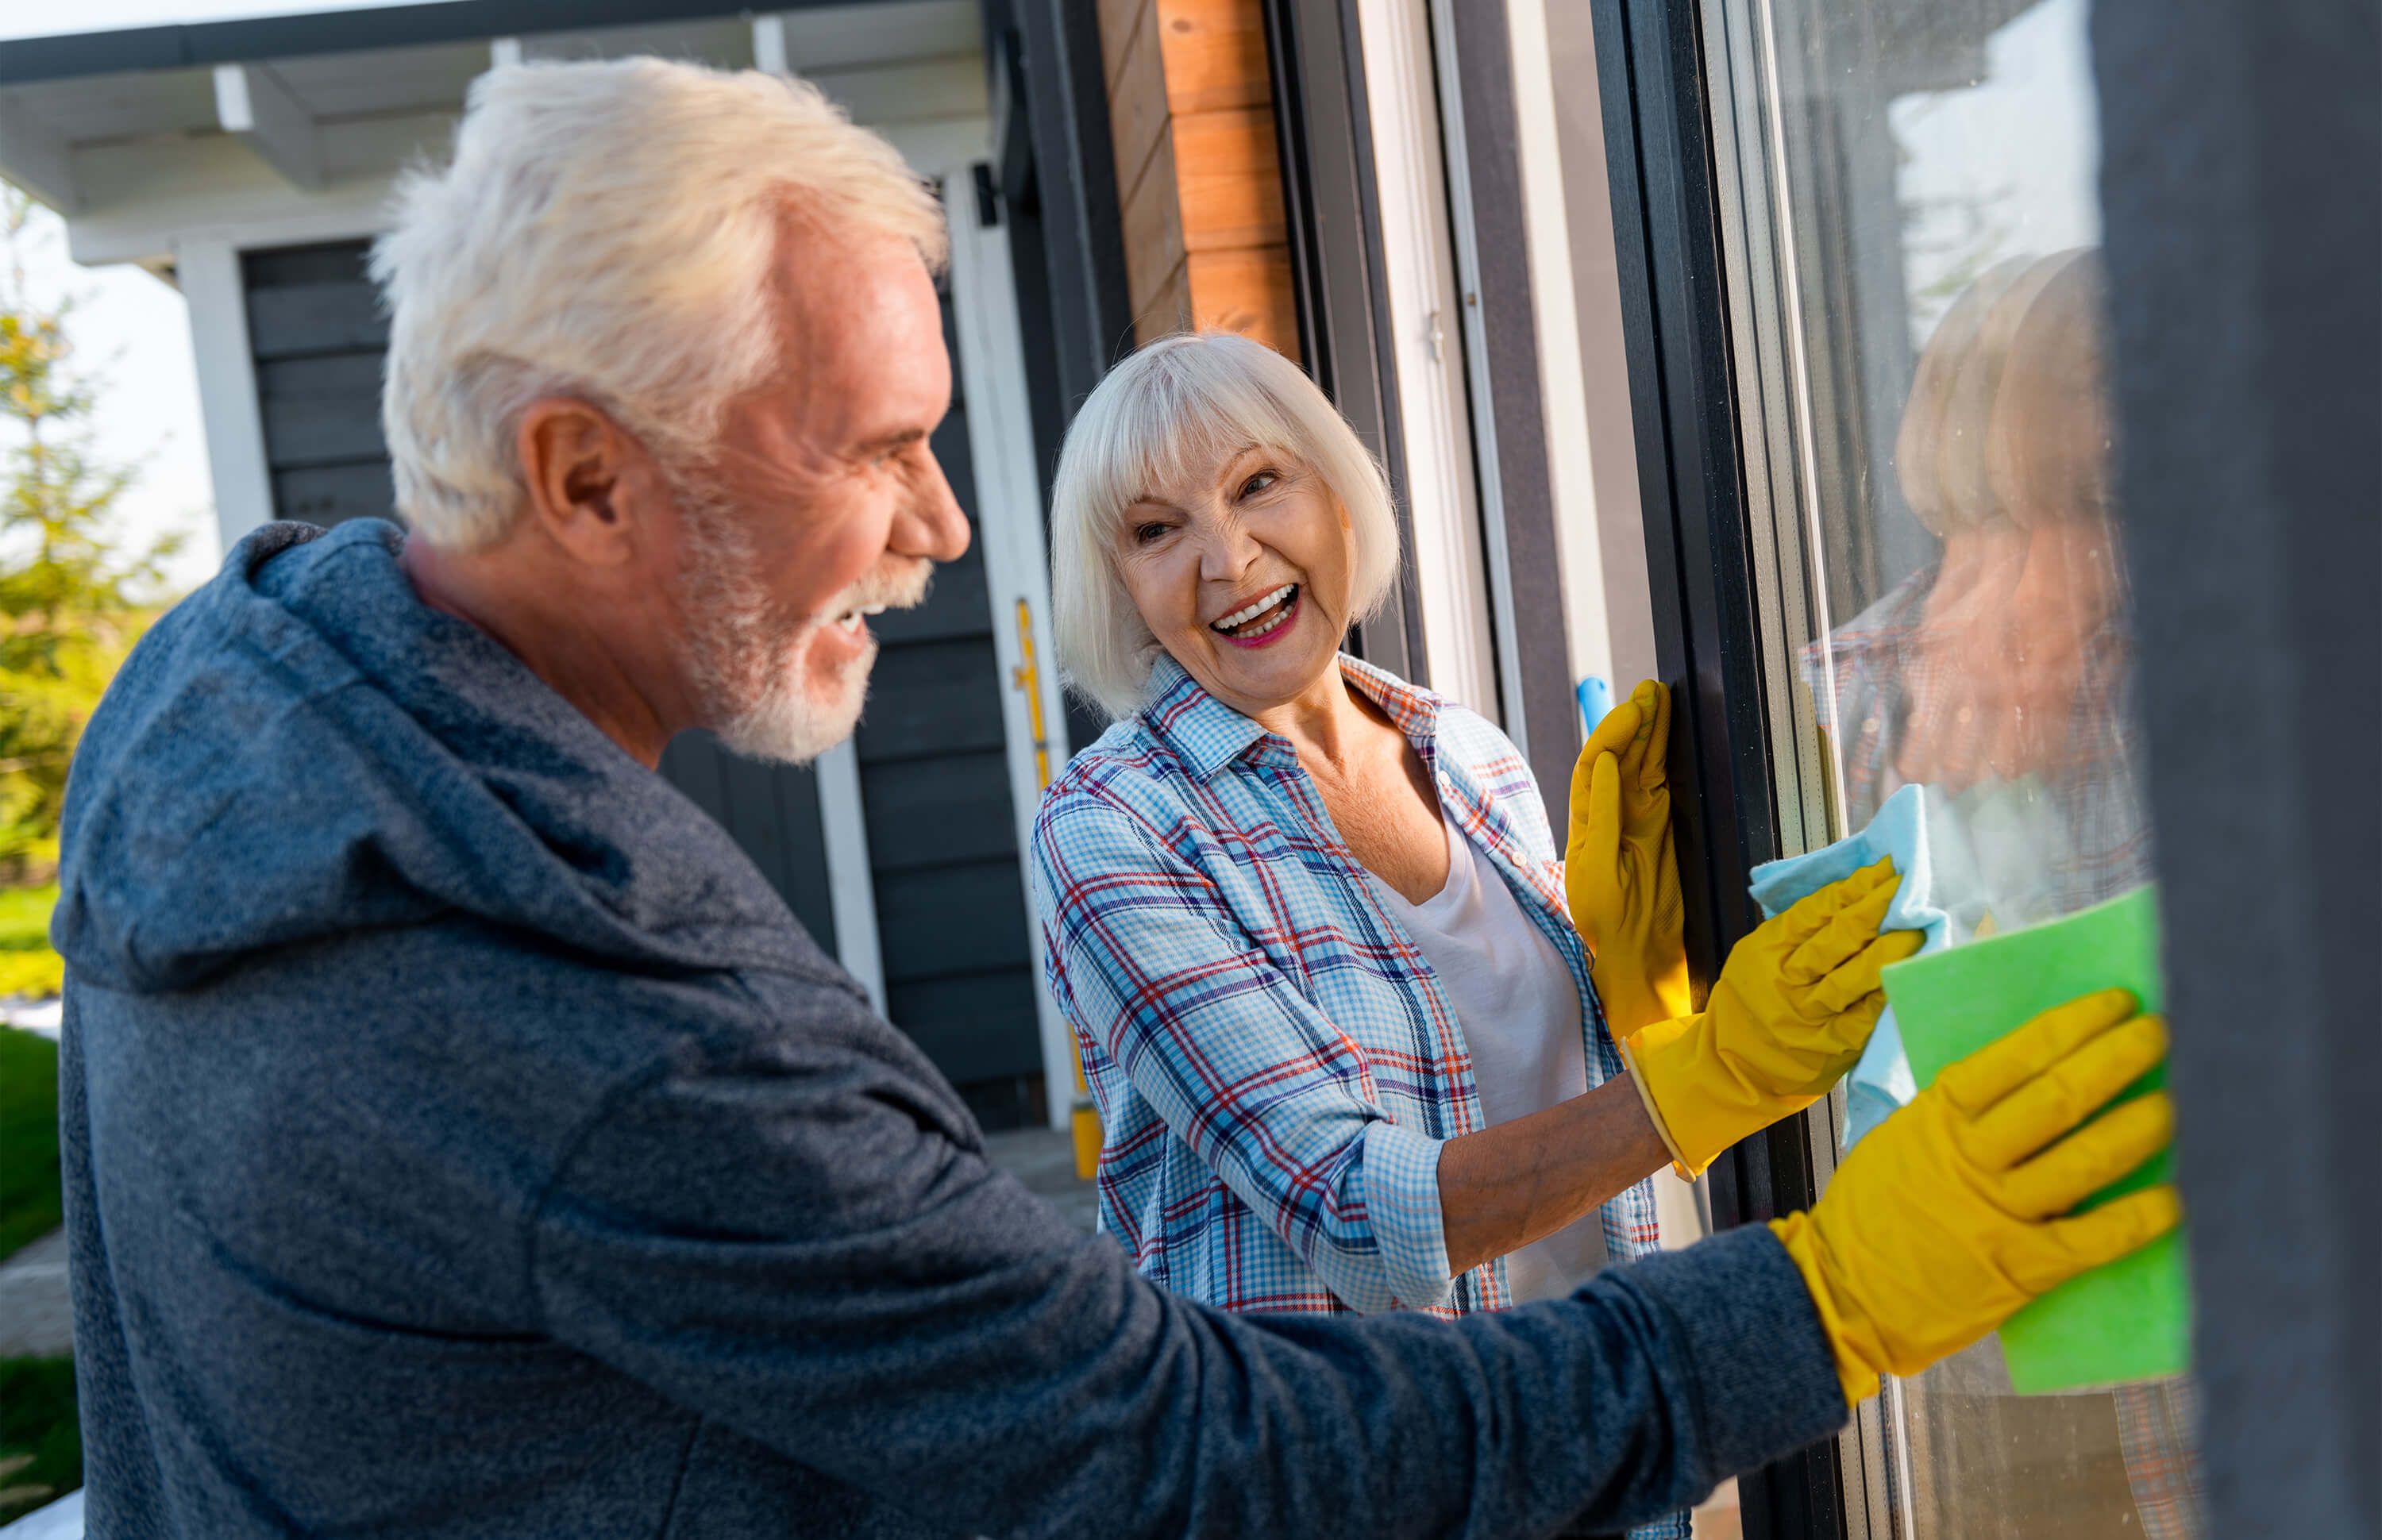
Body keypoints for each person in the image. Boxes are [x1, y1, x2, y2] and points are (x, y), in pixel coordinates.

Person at [51, 59, 2180, 1539]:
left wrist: (1667, 1021)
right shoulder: (601, 1009)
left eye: (1262, 486)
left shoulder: (236, 701)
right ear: (585, 474)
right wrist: (1830, 1288)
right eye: (870, 448)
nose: (942, 525)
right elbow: (1174, 1455)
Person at [1029, 332, 1913, 1323]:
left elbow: (1551, 1106)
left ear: (1334, 490)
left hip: (1606, 1412)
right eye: (1156, 531)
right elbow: (1353, 1207)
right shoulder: (1113, 828)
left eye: (1258, 484)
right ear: (1119, 584)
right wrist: (1713, 1072)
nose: (1228, 559)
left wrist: (1647, 999)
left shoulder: (1469, 754)